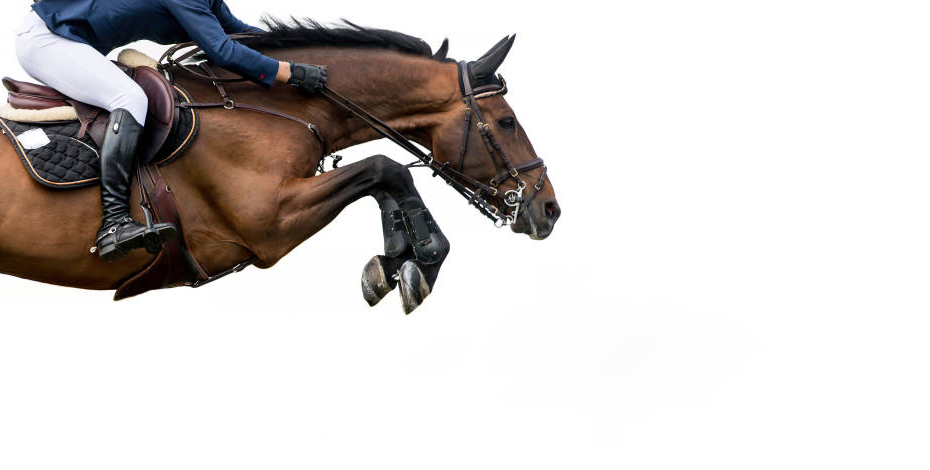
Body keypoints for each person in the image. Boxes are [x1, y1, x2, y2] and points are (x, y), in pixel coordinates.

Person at [15, 0, 327, 262]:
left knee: (129, 95)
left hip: (67, 40)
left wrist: (297, 53)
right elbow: (221, 51)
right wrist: (290, 72)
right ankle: (113, 224)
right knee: (129, 97)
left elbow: (236, 31)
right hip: (47, 40)